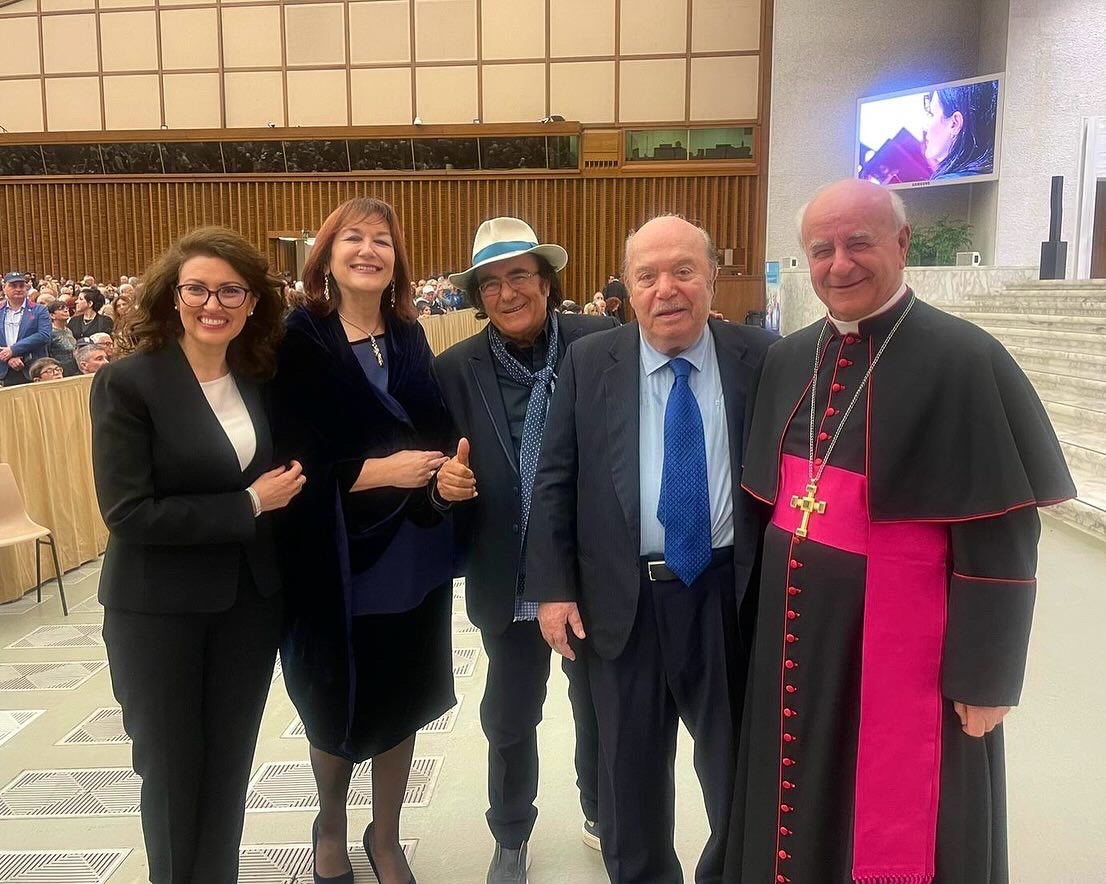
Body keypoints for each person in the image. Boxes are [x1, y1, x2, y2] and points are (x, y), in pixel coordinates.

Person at [724, 179, 1076, 884]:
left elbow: (1003, 534)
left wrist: (987, 675)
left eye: (859, 242)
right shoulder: (790, 357)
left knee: (898, 822)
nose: (839, 263)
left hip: (905, 654)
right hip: (795, 642)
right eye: (821, 250)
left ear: (903, 243)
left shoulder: (965, 360)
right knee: (794, 799)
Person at [526, 215, 774, 884]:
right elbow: (555, 478)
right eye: (647, 276)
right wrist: (552, 589)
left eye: (683, 271)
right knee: (628, 781)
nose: (666, 289)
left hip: (728, 597)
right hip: (623, 603)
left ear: (711, 279)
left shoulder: (762, 357)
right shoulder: (588, 363)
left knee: (740, 775)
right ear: (626, 290)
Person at [90, 227, 303, 883]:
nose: (214, 303)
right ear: (173, 296)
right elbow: (128, 513)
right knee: (174, 775)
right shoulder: (130, 384)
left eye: (231, 290)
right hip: (158, 613)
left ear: (252, 300)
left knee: (227, 771)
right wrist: (248, 505)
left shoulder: (259, 377)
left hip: (247, 607)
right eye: (198, 289)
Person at [269, 196, 456, 884]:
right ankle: (330, 821)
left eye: (382, 239)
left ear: (396, 260)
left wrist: (445, 475)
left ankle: (387, 832)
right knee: (333, 698)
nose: (369, 250)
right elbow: (281, 455)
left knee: (402, 693)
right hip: (333, 555)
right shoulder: (299, 337)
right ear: (328, 253)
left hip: (413, 549)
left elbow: (434, 425)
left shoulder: (408, 333)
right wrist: (370, 473)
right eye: (355, 237)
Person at [434, 217, 615, 883]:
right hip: (507, 575)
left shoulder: (603, 343)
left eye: (519, 277)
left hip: (591, 571)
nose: (507, 293)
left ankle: (601, 811)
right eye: (491, 283)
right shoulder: (455, 369)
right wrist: (440, 487)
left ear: (547, 282)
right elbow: (436, 467)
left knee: (598, 703)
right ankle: (510, 832)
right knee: (509, 718)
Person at [922, 81, 998, 179]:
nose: (925, 126)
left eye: (932, 114)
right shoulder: (984, 171)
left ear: (955, 123)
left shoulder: (948, 180)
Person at [0, 271, 51, 387]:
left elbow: (44, 335)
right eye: (13, 286)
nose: (18, 289)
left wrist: (14, 350)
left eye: (21, 286)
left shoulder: (39, 310)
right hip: (4, 370)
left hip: (32, 368)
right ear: (4, 287)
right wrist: (7, 357)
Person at [46, 301, 81, 376]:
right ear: (52, 315)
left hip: (74, 368)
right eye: (61, 309)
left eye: (66, 308)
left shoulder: (68, 330)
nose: (66, 310)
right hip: (59, 370)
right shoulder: (49, 333)